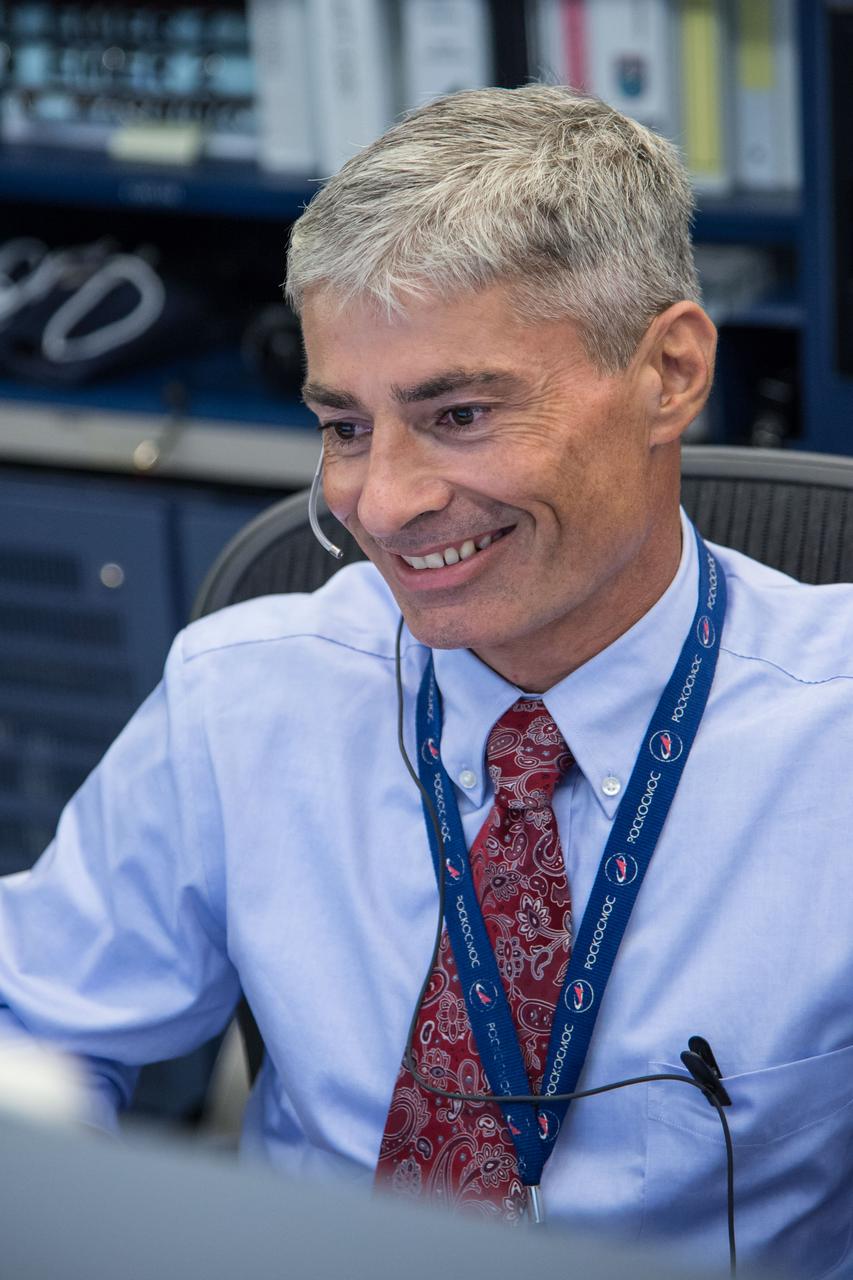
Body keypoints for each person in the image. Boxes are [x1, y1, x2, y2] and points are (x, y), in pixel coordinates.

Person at [0, 85, 851, 1278]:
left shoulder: (834, 745)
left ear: (670, 371)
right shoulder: (248, 695)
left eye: (458, 413)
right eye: (345, 426)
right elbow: (31, 1027)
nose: (382, 504)